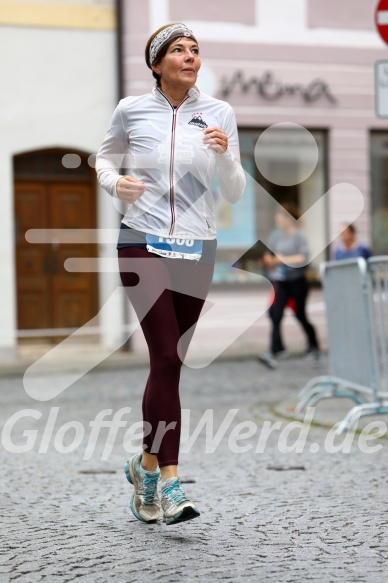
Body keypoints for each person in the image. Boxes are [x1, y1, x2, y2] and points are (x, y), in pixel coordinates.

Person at [95, 23, 245, 525]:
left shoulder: (219, 113)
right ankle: (171, 481)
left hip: (196, 248)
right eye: (178, 50)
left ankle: (144, 467)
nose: (189, 56)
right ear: (156, 64)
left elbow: (236, 192)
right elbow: (103, 158)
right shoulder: (131, 110)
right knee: (163, 352)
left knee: (171, 364)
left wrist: (224, 157)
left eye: (195, 50)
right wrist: (117, 184)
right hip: (141, 242)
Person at [259, 203, 320, 369]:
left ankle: (313, 346)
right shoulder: (275, 235)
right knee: (275, 314)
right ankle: (275, 351)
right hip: (281, 282)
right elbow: (268, 255)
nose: (277, 220)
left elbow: (304, 258)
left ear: (288, 219)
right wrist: (269, 260)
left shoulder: (299, 236)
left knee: (300, 315)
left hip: (298, 282)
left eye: (280, 217)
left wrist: (283, 259)